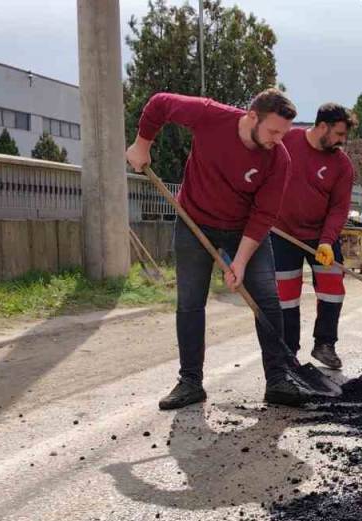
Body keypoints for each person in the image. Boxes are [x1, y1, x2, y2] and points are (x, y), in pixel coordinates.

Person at [125, 89, 305, 410]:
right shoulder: (210, 116)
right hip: (194, 221)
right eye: (273, 131)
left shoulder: (278, 158)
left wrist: (239, 262)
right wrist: (142, 145)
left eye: (284, 133)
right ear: (252, 116)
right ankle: (190, 382)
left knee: (266, 297)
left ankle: (278, 378)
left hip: (245, 229)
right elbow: (160, 104)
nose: (278, 140)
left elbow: (264, 214)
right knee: (191, 302)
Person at [274, 103, 357, 371]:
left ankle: (324, 344)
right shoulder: (286, 141)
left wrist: (326, 241)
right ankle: (289, 352)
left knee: (333, 289)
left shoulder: (342, 165)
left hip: (321, 237)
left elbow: (339, 208)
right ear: (323, 126)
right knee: (286, 295)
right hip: (281, 233)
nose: (342, 142)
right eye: (339, 134)